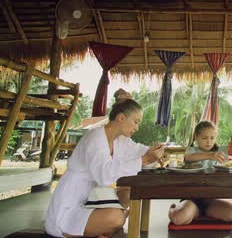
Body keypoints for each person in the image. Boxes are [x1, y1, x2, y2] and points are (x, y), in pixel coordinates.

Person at [45, 99, 165, 238]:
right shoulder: (95, 137)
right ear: (121, 117)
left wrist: (158, 153)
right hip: (68, 206)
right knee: (116, 218)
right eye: (136, 122)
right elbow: (104, 175)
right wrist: (144, 159)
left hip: (89, 201)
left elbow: (142, 151)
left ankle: (100, 229)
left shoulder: (120, 140)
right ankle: (79, 232)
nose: (137, 128)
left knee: (127, 193)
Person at [168, 121, 232, 226]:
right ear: (196, 137)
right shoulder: (191, 150)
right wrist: (210, 155)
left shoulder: (221, 151)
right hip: (192, 199)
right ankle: (173, 208)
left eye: (212, 138)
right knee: (178, 219)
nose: (209, 142)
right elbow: (189, 157)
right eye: (204, 138)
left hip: (213, 200)